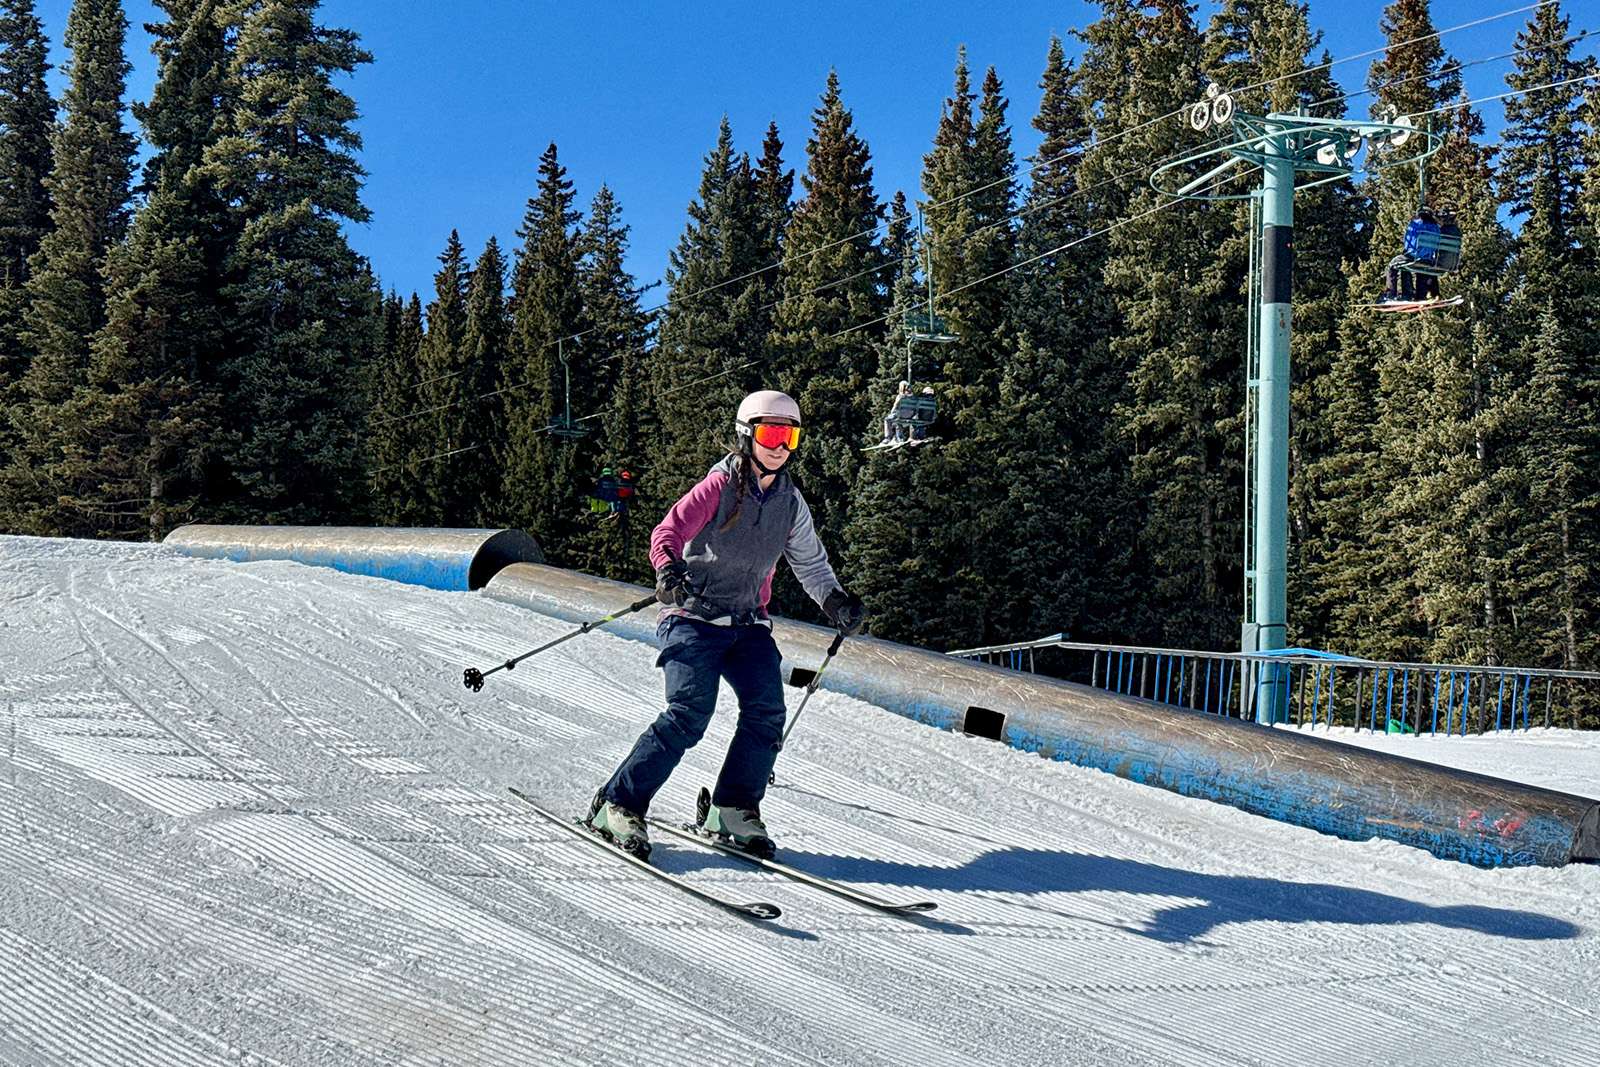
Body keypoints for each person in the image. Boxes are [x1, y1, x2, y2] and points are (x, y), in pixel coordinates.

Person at [587, 389, 867, 860]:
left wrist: (835, 602)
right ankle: (617, 803)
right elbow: (668, 532)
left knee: (766, 711)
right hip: (692, 617)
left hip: (747, 624)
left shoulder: (790, 503)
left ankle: (733, 809)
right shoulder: (719, 486)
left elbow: (811, 566)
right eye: (771, 433)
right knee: (689, 713)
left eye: (790, 436)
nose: (780, 446)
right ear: (746, 435)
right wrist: (668, 569)